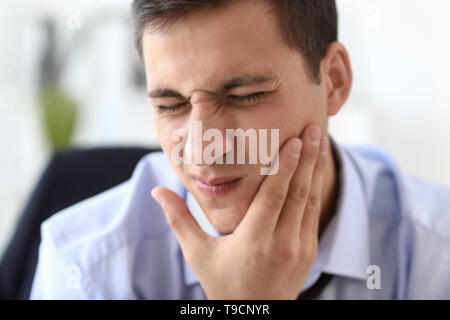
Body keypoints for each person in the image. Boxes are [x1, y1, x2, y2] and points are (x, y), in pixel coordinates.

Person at [30, 0, 450, 299]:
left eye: (245, 95)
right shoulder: (84, 268)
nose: (202, 152)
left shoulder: (437, 255)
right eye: (170, 104)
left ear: (334, 83)